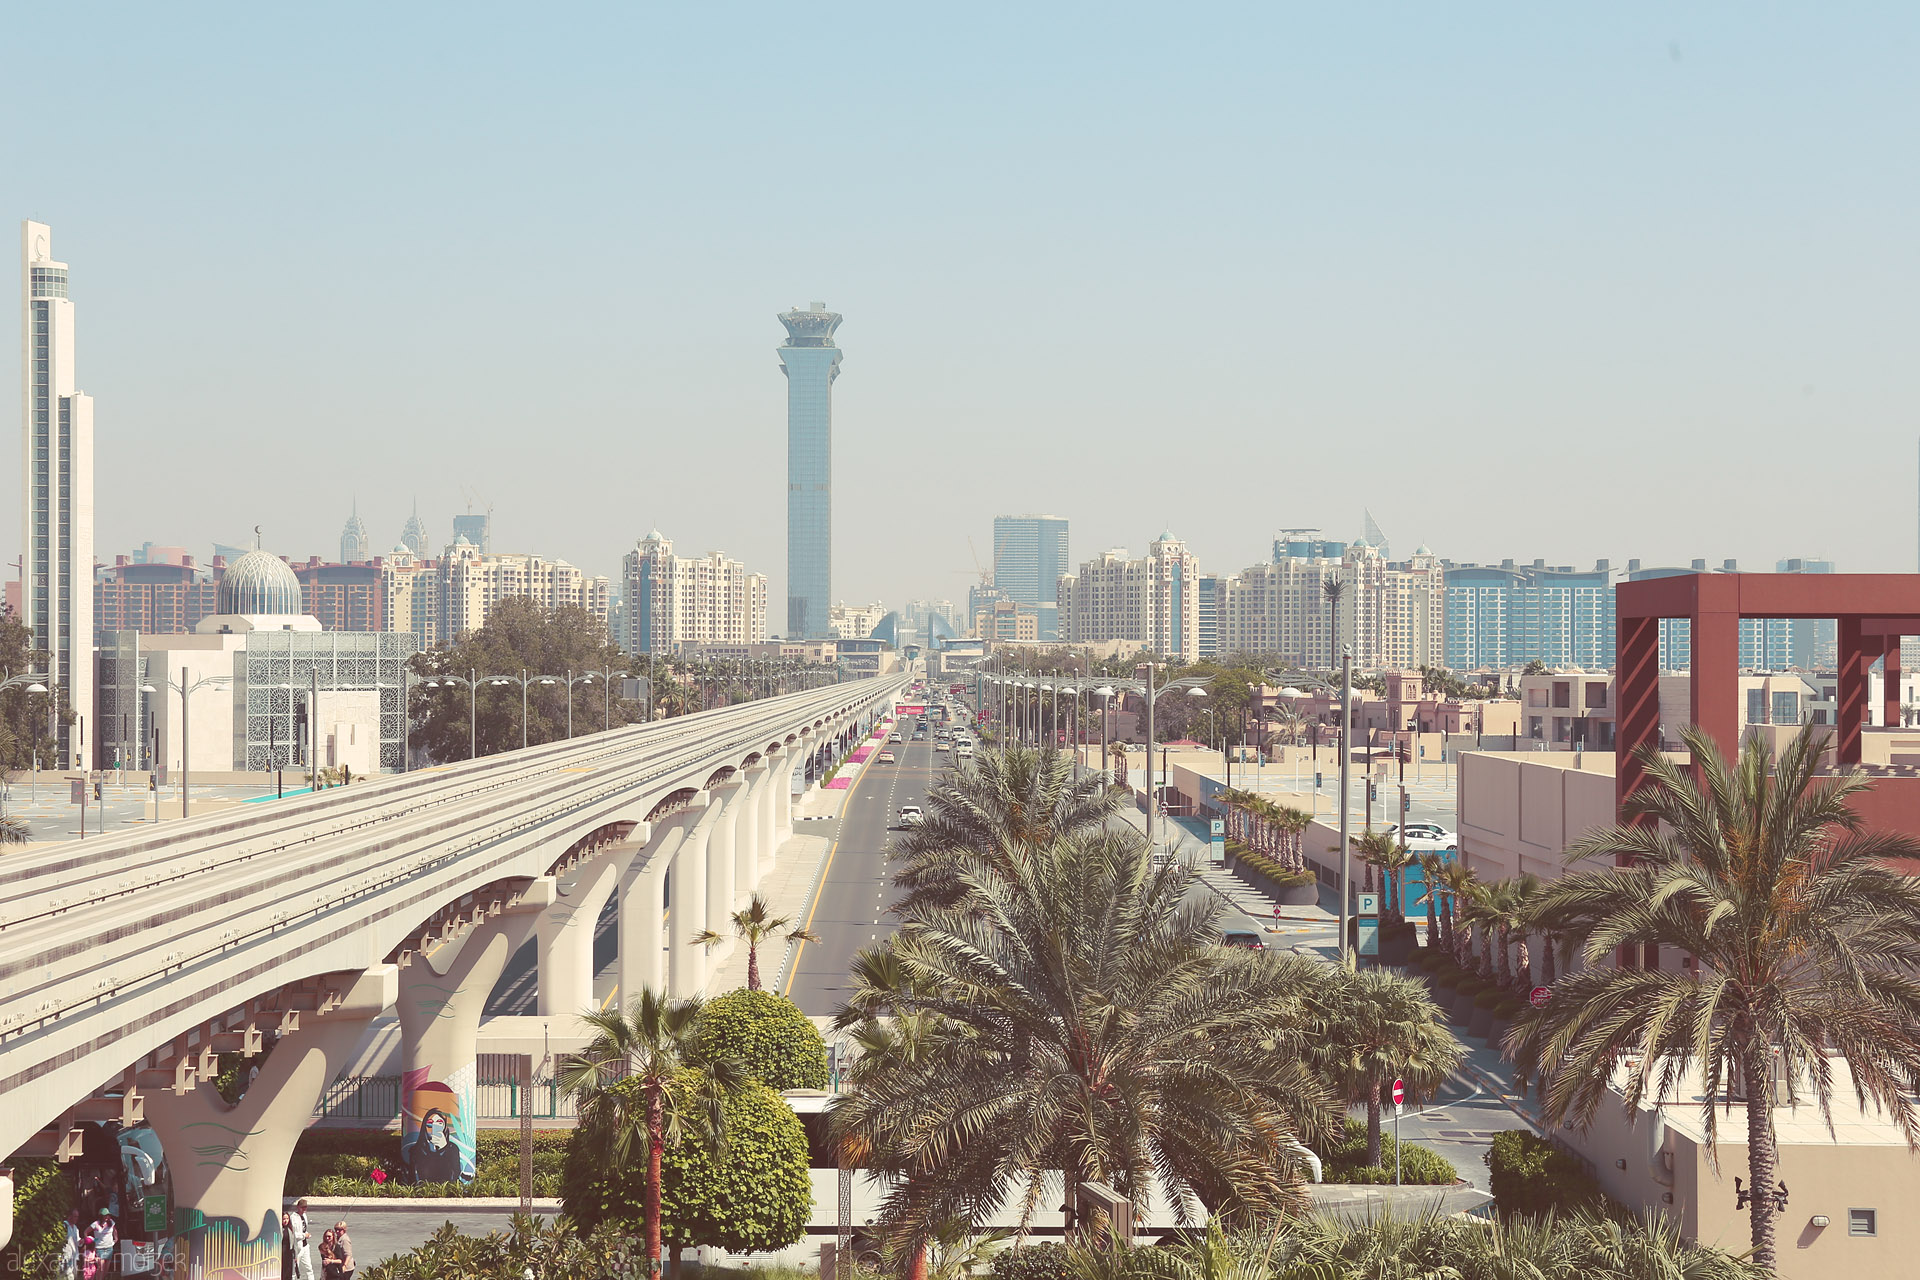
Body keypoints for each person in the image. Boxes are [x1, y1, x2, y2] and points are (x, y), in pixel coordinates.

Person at [283, 1198, 314, 1280]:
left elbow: (304, 1228)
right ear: (298, 1207)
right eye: (302, 1207)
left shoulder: (304, 1215)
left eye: (305, 1207)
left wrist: (306, 1234)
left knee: (309, 1267)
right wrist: (304, 1235)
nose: (304, 1209)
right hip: (297, 1247)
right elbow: (293, 1234)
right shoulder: (293, 1217)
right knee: (294, 1269)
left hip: (305, 1246)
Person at [59, 1210, 82, 1280]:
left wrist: (81, 1241)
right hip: (65, 1255)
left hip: (74, 1256)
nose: (76, 1218)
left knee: (73, 1275)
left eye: (77, 1217)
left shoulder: (75, 1228)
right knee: (68, 1276)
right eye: (75, 1216)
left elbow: (77, 1242)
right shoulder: (64, 1226)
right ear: (70, 1216)